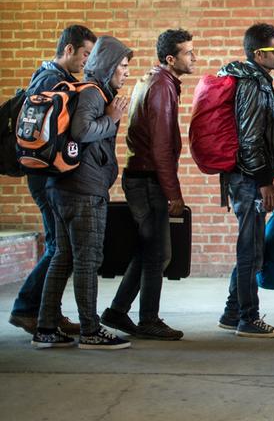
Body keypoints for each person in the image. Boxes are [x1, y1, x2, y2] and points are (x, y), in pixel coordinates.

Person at [33, 36, 133, 349]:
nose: (126, 72)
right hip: (83, 191)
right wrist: (112, 119)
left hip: (64, 187)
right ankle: (91, 330)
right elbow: (82, 131)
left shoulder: (88, 90)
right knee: (88, 260)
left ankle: (45, 328)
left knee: (63, 257)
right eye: (123, 66)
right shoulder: (91, 92)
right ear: (108, 66)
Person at [100, 29, 196, 341]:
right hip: (148, 179)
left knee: (150, 250)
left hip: (142, 176)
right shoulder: (161, 86)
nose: (194, 57)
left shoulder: (157, 81)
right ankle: (148, 320)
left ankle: (117, 310)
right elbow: (160, 147)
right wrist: (173, 192)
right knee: (158, 254)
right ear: (171, 58)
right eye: (188, 52)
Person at [8, 24, 97, 336]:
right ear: (69, 49)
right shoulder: (52, 80)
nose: (87, 60)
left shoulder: (49, 76)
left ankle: (49, 310)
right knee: (60, 246)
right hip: (45, 174)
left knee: (62, 246)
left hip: (43, 172)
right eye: (85, 53)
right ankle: (27, 309)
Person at [215, 23, 274, 338]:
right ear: (259, 53)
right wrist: (264, 182)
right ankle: (248, 317)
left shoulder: (254, 81)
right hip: (248, 177)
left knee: (251, 245)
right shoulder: (253, 85)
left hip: (243, 175)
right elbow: (252, 138)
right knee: (250, 247)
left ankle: (232, 312)